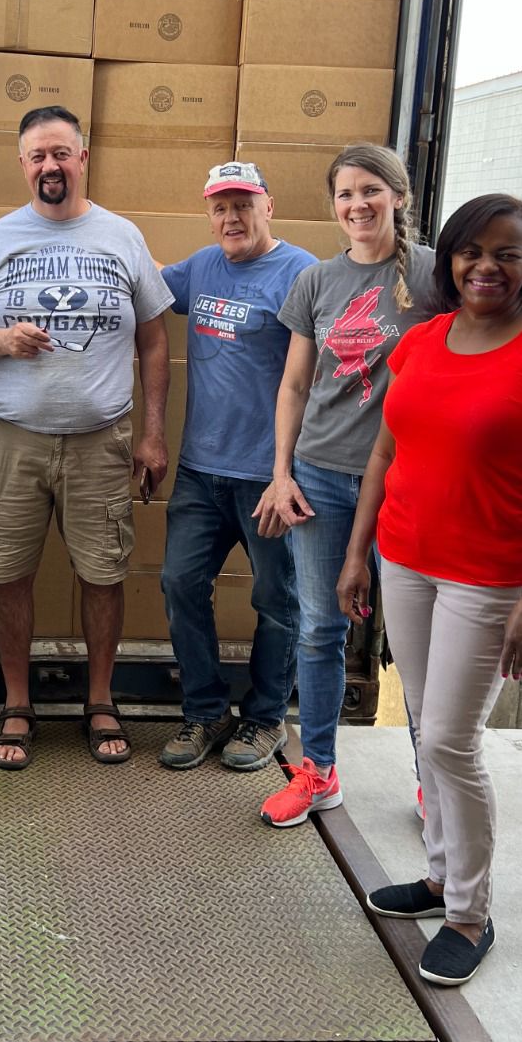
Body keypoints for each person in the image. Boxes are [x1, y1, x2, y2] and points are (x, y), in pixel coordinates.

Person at [336, 194, 522, 985]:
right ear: (448, 259)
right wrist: (358, 554)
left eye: (507, 253)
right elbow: (385, 454)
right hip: (406, 559)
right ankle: (439, 876)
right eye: (471, 252)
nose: (486, 266)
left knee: (452, 741)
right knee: (428, 731)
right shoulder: (421, 342)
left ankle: (469, 913)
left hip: (491, 578)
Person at [0, 105, 172, 768]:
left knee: (103, 574)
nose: (50, 166)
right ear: (23, 164)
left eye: (60, 153)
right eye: (37, 156)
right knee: (8, 573)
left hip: (102, 440)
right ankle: (18, 703)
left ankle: (99, 699)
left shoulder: (122, 236)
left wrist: (152, 435)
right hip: (11, 439)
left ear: (82, 158)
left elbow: (156, 342)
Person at [255, 143, 439, 827]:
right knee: (320, 630)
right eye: (345, 194)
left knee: (421, 639)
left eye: (371, 191)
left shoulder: (433, 277)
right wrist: (281, 474)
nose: (357, 205)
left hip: (410, 479)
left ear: (397, 195)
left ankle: (437, 782)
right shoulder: (317, 281)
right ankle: (320, 771)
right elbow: (296, 384)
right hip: (323, 479)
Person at [157, 162, 316, 771]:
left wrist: (289, 471)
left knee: (278, 599)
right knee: (179, 582)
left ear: (268, 206)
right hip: (201, 469)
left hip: (270, 474)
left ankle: (266, 717)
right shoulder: (199, 267)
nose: (232, 217)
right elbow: (136, 293)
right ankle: (205, 712)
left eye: (243, 204)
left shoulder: (299, 273)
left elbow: (315, 378)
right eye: (220, 206)